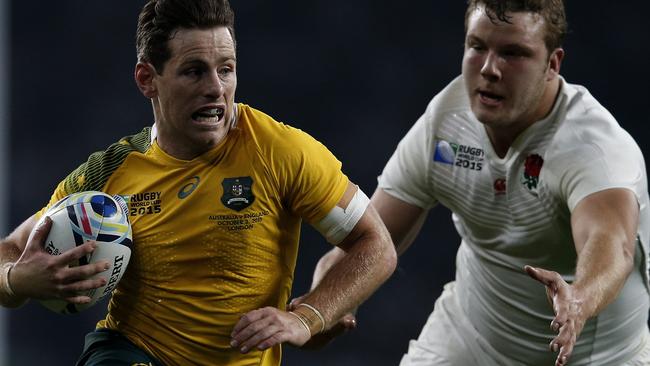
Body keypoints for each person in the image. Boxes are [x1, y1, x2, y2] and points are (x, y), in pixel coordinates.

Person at [0, 0, 397, 365]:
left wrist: (309, 317)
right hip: (132, 352)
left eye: (226, 69)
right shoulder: (112, 172)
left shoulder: (280, 151)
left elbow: (375, 245)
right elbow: (14, 248)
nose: (215, 88)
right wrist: (17, 279)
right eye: (194, 71)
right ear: (147, 79)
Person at [311, 1, 650, 365]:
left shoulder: (594, 148)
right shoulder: (447, 120)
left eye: (513, 53)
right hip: (470, 340)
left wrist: (579, 299)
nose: (489, 69)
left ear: (552, 64)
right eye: (477, 47)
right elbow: (371, 238)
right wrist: (317, 310)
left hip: (593, 356)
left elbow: (612, 245)